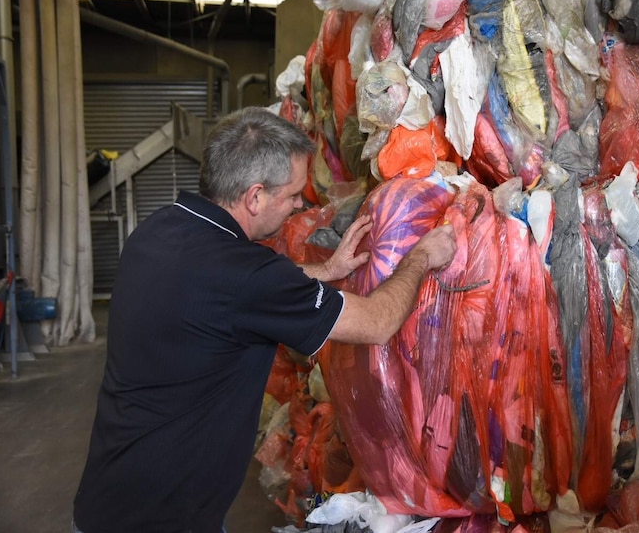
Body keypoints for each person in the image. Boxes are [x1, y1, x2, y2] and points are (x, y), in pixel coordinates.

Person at [72, 107, 457, 533]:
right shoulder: (248, 274)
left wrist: (326, 273)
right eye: (292, 195)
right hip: (167, 518)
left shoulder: (159, 230)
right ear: (254, 196)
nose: (298, 206)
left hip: (104, 502)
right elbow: (377, 323)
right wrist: (421, 256)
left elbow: (227, 295)